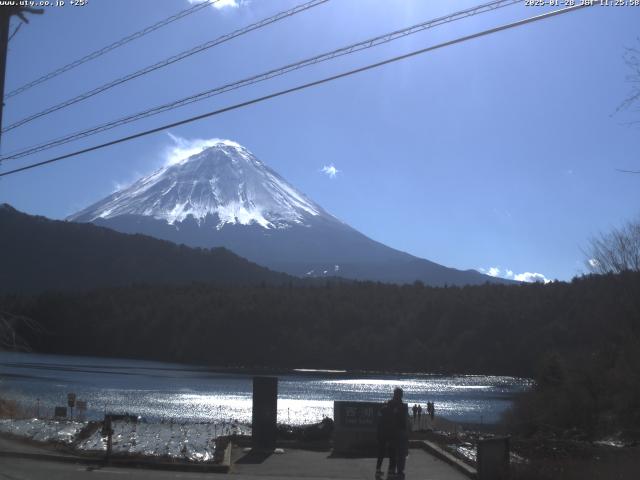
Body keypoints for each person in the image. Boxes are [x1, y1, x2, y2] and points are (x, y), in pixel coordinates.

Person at [388, 387, 409, 478]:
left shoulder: (390, 404)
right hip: (400, 431)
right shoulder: (403, 406)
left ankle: (392, 470)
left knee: (393, 451)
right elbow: (405, 420)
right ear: (401, 395)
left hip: (393, 431)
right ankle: (399, 470)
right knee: (401, 453)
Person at [375, 402, 394, 476]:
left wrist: (378, 435)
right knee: (391, 453)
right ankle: (390, 471)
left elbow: (379, 424)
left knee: (381, 453)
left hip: (381, 435)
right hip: (389, 435)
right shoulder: (391, 412)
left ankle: (378, 469)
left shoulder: (382, 411)